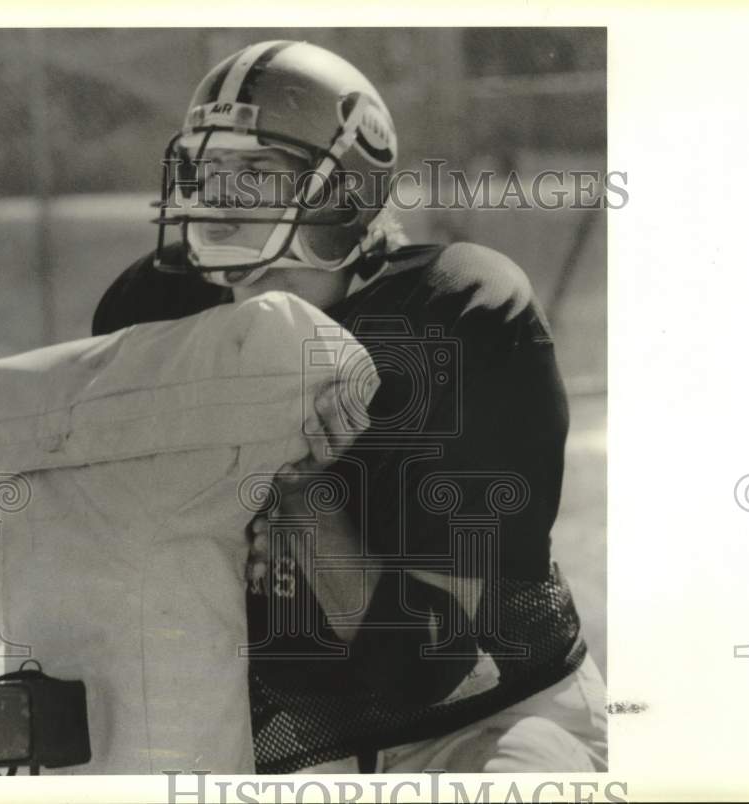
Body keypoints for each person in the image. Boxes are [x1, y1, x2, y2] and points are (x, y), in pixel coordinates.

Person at [92, 40, 606, 773]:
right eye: (210, 173)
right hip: (293, 740)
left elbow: (422, 664)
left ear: (343, 190)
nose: (220, 203)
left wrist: (299, 488)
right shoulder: (157, 310)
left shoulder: (453, 314)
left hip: (487, 716)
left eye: (256, 174)